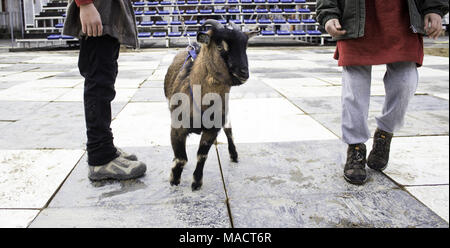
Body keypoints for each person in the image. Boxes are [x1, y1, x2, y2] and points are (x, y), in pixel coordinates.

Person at [316, 0, 449, 185]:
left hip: (402, 16)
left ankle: (385, 133)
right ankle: (355, 147)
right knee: (354, 89)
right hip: (353, 16)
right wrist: (328, 14)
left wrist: (434, 8)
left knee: (405, 82)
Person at [63, 0, 147, 181]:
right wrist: (85, 4)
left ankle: (104, 145)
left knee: (105, 79)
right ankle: (100, 156)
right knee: (99, 82)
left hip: (106, 10)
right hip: (97, 7)